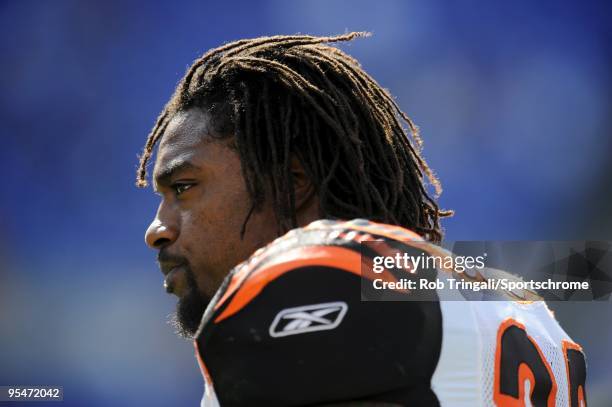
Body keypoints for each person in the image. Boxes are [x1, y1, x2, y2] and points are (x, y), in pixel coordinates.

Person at [138, 33, 587, 406]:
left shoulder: (310, 285)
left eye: (183, 189)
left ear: (290, 182)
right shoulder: (518, 300)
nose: (157, 230)